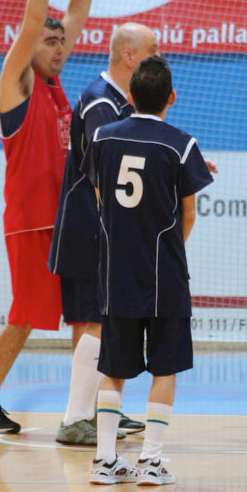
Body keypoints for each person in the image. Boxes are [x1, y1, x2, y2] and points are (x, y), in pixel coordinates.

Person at [0, 0, 101, 435]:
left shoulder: (55, 85)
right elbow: (30, 25)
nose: (58, 47)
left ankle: (84, 410)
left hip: (68, 222)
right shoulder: (17, 84)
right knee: (24, 315)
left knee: (86, 314)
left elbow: (79, 12)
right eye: (50, 42)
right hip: (31, 222)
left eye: (61, 42)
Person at [82, 55, 213, 486]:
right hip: (163, 275)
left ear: (130, 96)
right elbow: (188, 213)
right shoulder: (182, 145)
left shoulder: (102, 137)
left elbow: (100, 198)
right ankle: (151, 463)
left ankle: (104, 461)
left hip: (115, 274)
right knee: (164, 368)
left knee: (112, 370)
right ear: (171, 97)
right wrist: (168, 251)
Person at [48, 22, 160, 446]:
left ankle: (92, 409)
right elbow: (105, 170)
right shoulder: (100, 102)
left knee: (99, 320)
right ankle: (76, 418)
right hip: (88, 228)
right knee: (93, 320)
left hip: (101, 227)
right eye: (153, 49)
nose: (160, 56)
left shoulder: (119, 101)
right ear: (129, 56)